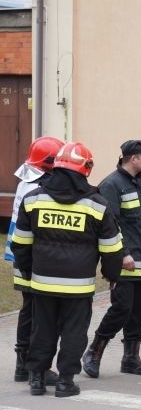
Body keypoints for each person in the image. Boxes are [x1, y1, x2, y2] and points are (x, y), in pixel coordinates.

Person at [11, 142, 124, 396]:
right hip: (78, 285)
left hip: (41, 283)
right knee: (74, 333)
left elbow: (20, 244)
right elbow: (112, 249)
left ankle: (37, 380)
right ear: (86, 169)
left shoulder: (33, 199)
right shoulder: (97, 205)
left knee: (42, 329)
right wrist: (112, 276)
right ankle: (65, 382)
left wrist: (29, 272)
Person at [82, 140, 141, 379]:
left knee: (140, 310)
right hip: (124, 262)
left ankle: (131, 358)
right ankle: (94, 352)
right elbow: (109, 225)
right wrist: (122, 254)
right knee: (121, 309)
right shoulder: (112, 185)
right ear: (133, 158)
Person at [6, 136, 64, 384]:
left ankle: (22, 364)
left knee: (28, 309)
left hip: (19, 253)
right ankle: (32, 365)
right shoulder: (38, 187)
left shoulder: (26, 181)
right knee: (37, 312)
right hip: (32, 256)